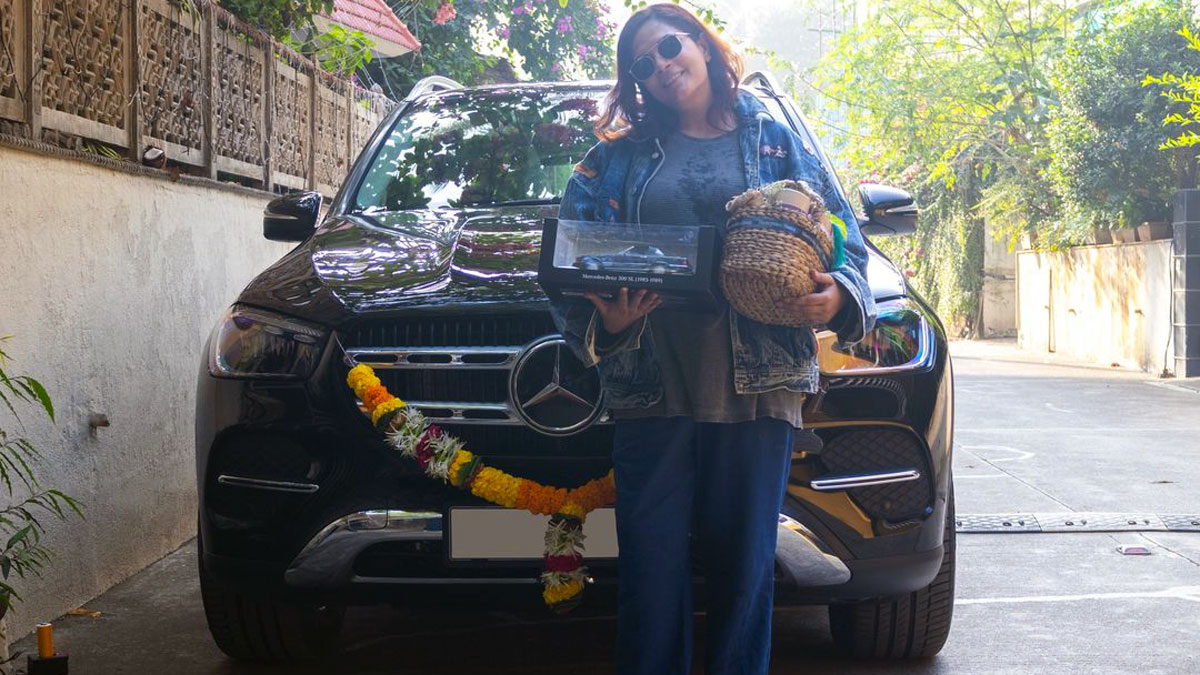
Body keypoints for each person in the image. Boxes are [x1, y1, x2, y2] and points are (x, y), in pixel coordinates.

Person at [548, 4, 876, 674]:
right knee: (650, 572)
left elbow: (843, 232)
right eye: (643, 65)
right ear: (636, 83)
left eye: (670, 47)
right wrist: (603, 323)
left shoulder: (776, 138)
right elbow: (568, 256)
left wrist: (841, 292)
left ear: (700, 42)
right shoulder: (615, 159)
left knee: (744, 571)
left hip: (760, 387)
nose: (662, 67)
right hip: (651, 385)